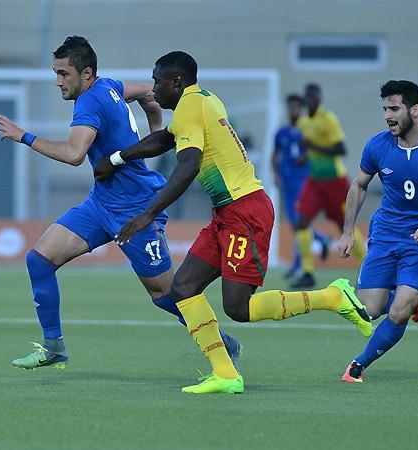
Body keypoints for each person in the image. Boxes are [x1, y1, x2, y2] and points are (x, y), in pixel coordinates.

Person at [94, 51, 373, 394]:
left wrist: (147, 214)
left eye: (158, 82)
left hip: (246, 211)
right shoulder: (202, 99)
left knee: (238, 307)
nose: (153, 89)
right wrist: (118, 158)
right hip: (228, 213)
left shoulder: (190, 106)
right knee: (184, 287)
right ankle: (225, 374)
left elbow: (188, 165)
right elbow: (166, 138)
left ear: (176, 82)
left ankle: (333, 297)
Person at [0, 36, 241, 370]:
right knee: (39, 261)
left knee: (166, 295)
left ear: (86, 73)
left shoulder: (89, 101)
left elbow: (74, 154)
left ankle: (222, 342)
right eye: (56, 73)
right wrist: (155, 131)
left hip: (135, 208)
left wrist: (24, 136)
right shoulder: (108, 85)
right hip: (100, 204)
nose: (58, 81)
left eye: (64, 74)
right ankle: (53, 347)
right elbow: (147, 94)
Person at [339, 80, 418, 382]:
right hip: (386, 234)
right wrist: (347, 231)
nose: (387, 116)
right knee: (369, 309)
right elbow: (359, 185)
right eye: (384, 109)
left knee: (399, 311)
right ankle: (408, 300)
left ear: (415, 110)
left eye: (394, 109)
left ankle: (358, 365)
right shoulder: (377, 145)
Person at [291, 84, 366, 288]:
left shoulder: (328, 119)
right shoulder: (303, 122)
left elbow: (341, 149)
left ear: (319, 98)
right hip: (314, 181)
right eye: (308, 96)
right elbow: (311, 149)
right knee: (302, 222)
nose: (311, 100)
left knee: (346, 225)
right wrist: (306, 156)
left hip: (335, 181)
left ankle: (366, 266)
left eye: (314, 96)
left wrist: (312, 146)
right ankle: (307, 272)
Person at [271, 94, 330, 278]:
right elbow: (274, 155)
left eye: (297, 107)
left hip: (303, 183)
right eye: (291, 107)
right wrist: (276, 175)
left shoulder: (308, 131)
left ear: (301, 109)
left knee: (299, 222)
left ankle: (298, 265)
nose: (293, 110)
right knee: (294, 224)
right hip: (287, 184)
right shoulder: (281, 132)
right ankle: (321, 239)